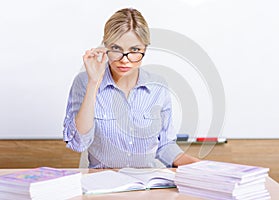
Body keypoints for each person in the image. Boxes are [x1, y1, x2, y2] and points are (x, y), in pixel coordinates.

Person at [63, 8, 199, 168]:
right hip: (101, 185)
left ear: (145, 49)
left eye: (134, 50)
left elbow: (165, 146)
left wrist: (201, 165)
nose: (124, 60)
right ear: (105, 46)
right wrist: (93, 83)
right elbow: (78, 143)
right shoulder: (84, 82)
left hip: (146, 184)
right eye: (116, 49)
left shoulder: (158, 87)